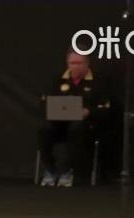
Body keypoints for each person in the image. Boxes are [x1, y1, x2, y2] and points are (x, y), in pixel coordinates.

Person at [38, 49, 112, 187]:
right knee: (44, 128)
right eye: (72, 63)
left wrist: (88, 112)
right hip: (59, 123)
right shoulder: (57, 79)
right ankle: (49, 169)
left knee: (76, 126)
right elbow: (43, 103)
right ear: (67, 63)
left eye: (79, 63)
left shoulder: (98, 81)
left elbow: (106, 108)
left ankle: (66, 170)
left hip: (85, 126)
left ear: (87, 63)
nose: (75, 66)